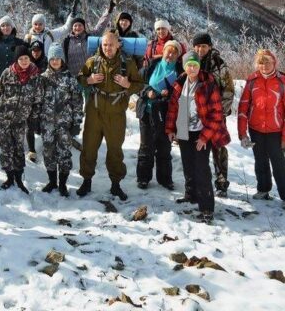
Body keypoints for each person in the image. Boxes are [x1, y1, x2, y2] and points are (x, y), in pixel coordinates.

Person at [77, 31, 143, 200]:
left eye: (111, 45)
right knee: (89, 147)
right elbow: (80, 77)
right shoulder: (93, 61)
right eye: (105, 44)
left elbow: (139, 85)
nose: (108, 48)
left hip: (116, 113)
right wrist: (89, 80)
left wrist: (127, 83)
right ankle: (86, 181)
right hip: (95, 111)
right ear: (101, 45)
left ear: (118, 45)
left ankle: (115, 185)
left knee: (115, 150)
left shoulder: (127, 63)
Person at [165, 53, 230, 224]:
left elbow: (217, 115)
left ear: (199, 66)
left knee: (202, 169)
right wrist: (170, 129)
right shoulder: (180, 83)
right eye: (189, 65)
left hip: (202, 132)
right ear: (184, 67)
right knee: (188, 164)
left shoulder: (208, 84)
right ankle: (191, 194)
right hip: (184, 131)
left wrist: (204, 138)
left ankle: (206, 207)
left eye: (195, 65)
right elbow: (173, 108)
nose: (192, 68)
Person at [237, 49, 285, 210]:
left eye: (267, 62)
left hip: (276, 131)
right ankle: (263, 190)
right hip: (256, 129)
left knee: (279, 164)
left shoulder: (283, 82)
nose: (264, 66)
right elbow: (243, 107)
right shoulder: (252, 81)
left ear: (274, 63)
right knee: (260, 161)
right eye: (261, 62)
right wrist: (242, 133)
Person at [0, 45, 44, 194]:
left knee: (18, 149)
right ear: (17, 60)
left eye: (26, 58)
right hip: (3, 118)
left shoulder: (35, 76)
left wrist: (33, 118)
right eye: (21, 59)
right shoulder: (8, 73)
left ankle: (19, 179)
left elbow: (38, 100)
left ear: (30, 58)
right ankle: (9, 178)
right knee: (6, 149)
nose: (24, 61)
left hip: (20, 120)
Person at [192, 32, 235, 198]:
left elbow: (229, 89)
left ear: (209, 46)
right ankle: (197, 181)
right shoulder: (190, 61)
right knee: (197, 147)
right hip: (195, 115)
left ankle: (221, 183)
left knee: (218, 148)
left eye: (203, 46)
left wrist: (220, 113)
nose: (200, 49)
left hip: (215, 114)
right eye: (197, 46)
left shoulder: (219, 64)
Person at [136, 40, 182, 190]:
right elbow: (137, 83)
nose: (170, 54)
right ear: (164, 51)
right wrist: (147, 91)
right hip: (148, 111)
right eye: (169, 51)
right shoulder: (152, 64)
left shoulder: (180, 70)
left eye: (174, 52)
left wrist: (168, 95)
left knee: (164, 147)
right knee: (146, 146)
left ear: (178, 55)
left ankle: (165, 179)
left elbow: (181, 93)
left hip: (166, 114)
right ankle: (143, 178)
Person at [38, 45, 82, 196]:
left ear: (62, 60)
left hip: (65, 125)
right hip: (47, 123)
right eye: (52, 58)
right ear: (49, 60)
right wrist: (37, 121)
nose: (55, 61)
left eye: (58, 58)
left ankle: (62, 184)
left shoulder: (70, 79)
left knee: (64, 154)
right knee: (48, 152)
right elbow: (37, 102)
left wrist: (76, 123)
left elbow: (77, 103)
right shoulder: (42, 79)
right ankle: (52, 181)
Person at [62, 0, 115, 77]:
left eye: (80, 25)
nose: (77, 28)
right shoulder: (66, 41)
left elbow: (101, 25)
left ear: (84, 27)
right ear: (72, 28)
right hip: (75, 78)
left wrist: (109, 11)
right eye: (75, 26)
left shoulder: (90, 36)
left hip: (92, 76)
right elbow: (62, 59)